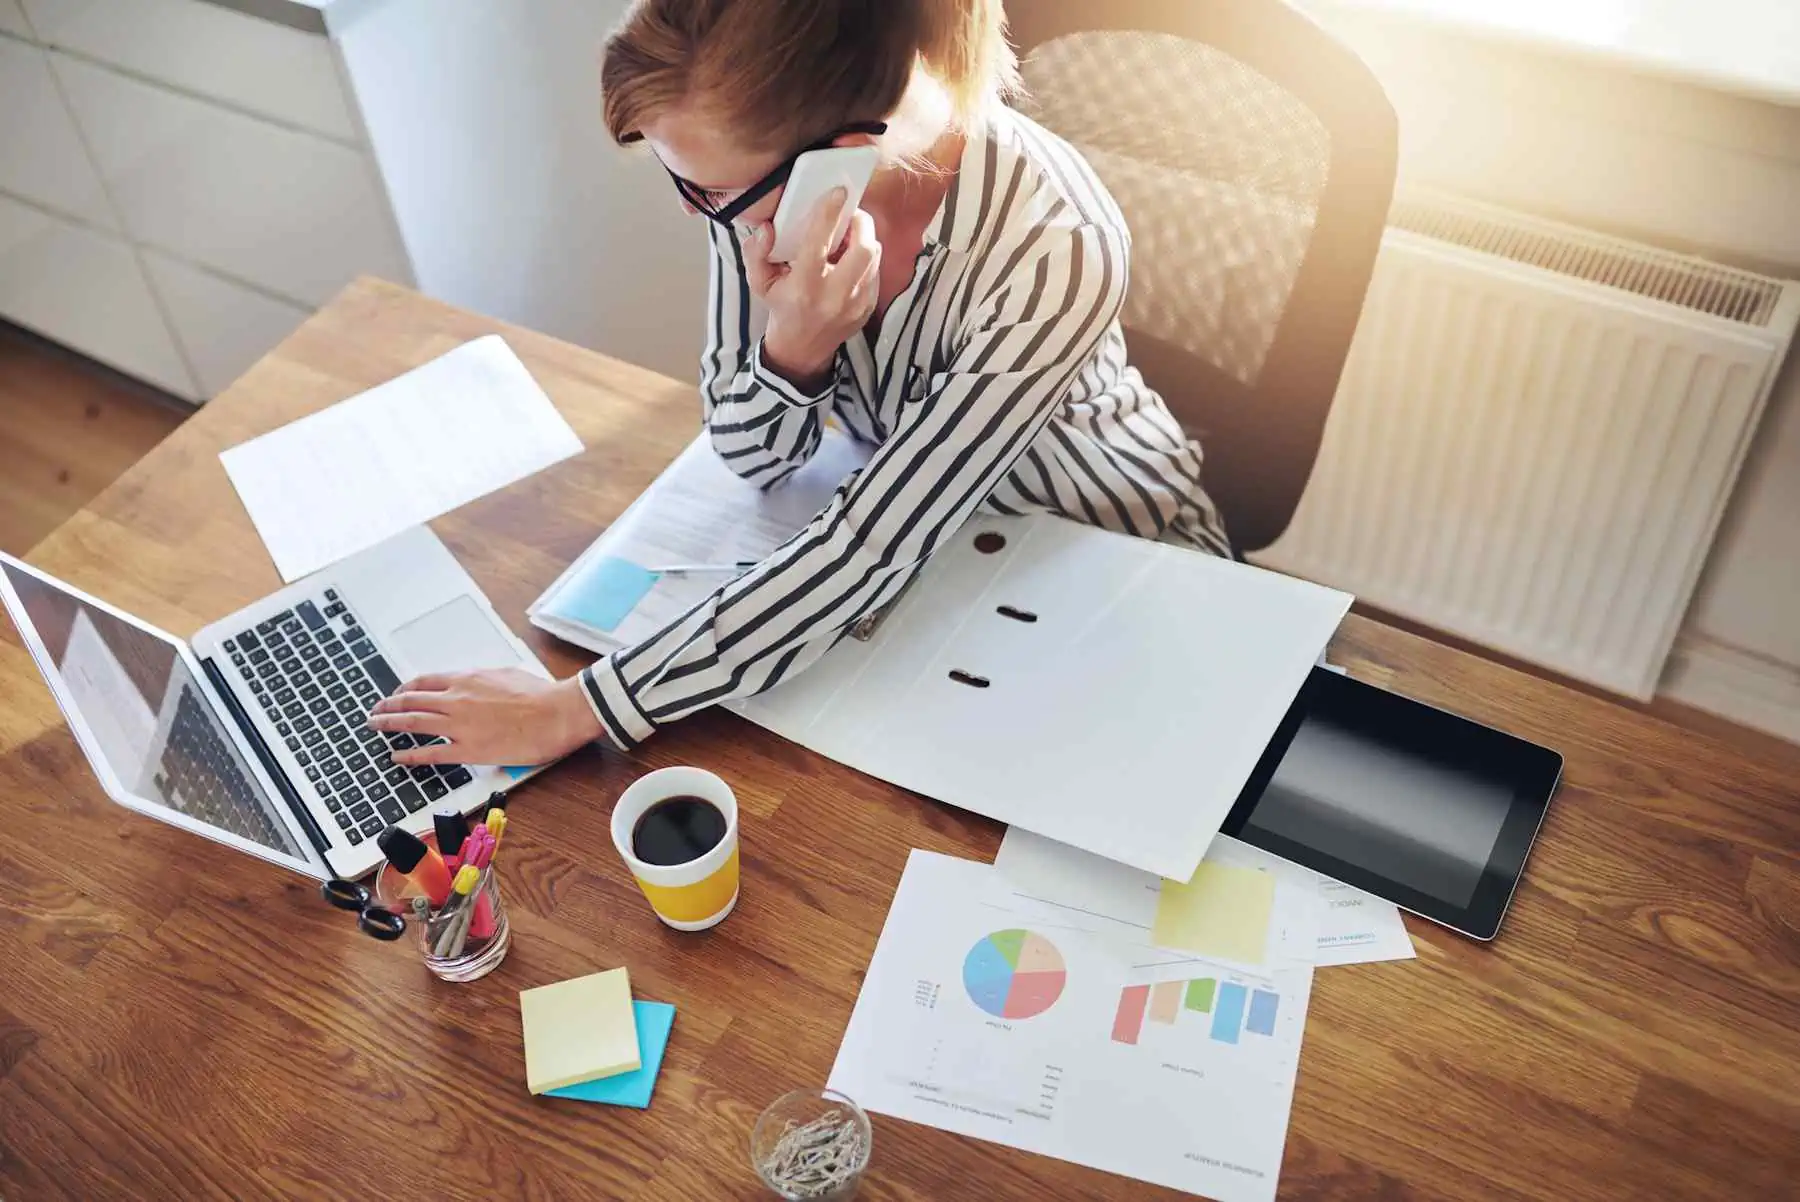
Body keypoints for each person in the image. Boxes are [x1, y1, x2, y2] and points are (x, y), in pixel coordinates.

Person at [368, 0, 1228, 766]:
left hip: (1101, 553)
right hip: (936, 561)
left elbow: (870, 546)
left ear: (845, 154)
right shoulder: (768, 188)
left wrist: (578, 709)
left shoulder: (1057, 246)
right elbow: (750, 456)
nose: (694, 211)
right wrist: (795, 351)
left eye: (708, 191)